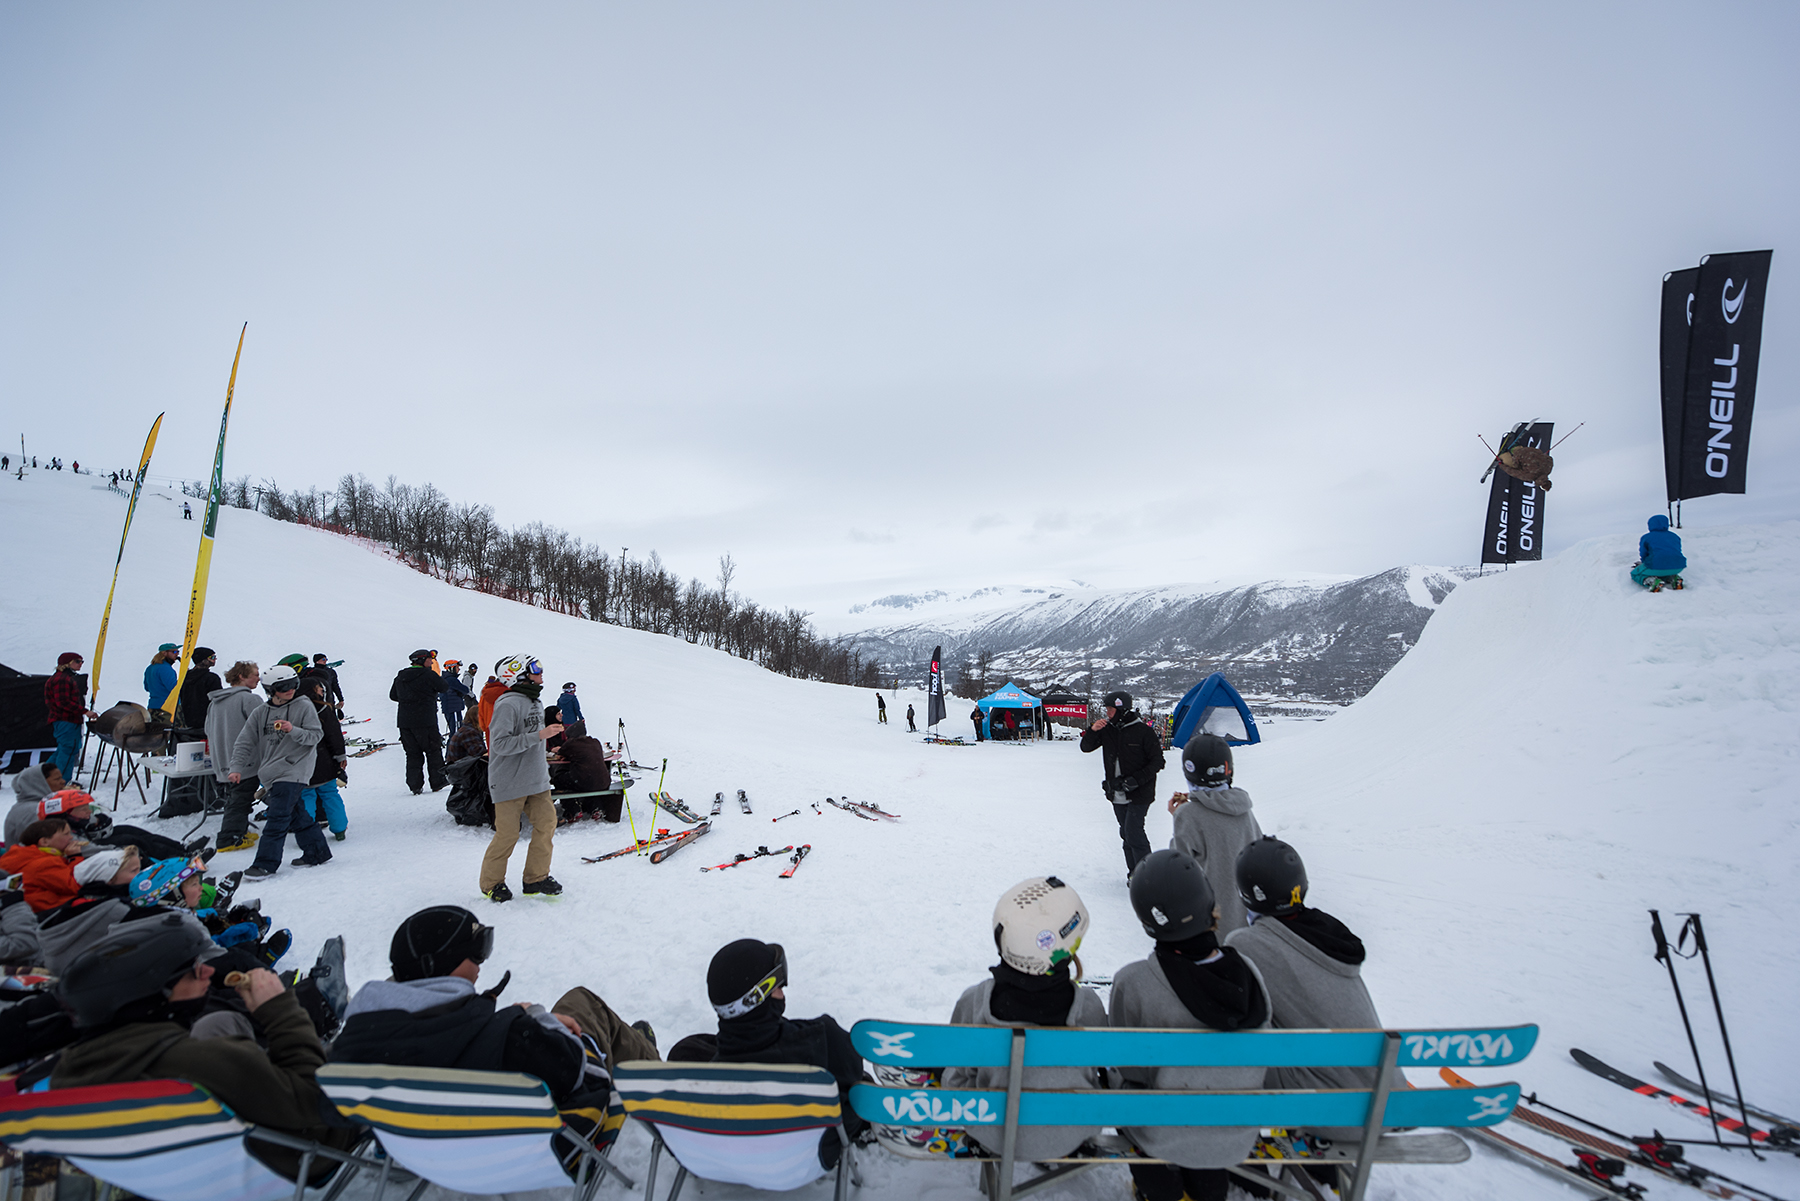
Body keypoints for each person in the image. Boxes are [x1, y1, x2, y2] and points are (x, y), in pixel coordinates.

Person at [50, 913, 359, 1181]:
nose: (209, 972)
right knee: (370, 1031)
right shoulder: (194, 1063)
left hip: (183, 1168)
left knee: (220, 1020)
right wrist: (279, 1008)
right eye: (194, 970)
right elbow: (314, 1101)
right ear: (153, 991)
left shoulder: (71, 1073)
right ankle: (321, 1006)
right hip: (296, 1155)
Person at [330, 906, 659, 1087]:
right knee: (582, 1001)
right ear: (439, 968)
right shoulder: (509, 1039)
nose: (481, 963)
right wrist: (536, 1019)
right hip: (543, 1146)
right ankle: (654, 1070)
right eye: (476, 951)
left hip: (417, 1144)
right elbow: (586, 1077)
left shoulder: (351, 1049)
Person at [1113, 849, 1271, 1201]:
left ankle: (1161, 1188)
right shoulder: (1250, 975)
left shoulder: (1134, 983)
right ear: (1209, 903)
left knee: (1117, 1081)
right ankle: (1208, 1184)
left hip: (1164, 1133)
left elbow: (1129, 1069)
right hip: (1237, 1132)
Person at [1224, 836, 1381, 1143]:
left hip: (1338, 1114)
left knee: (1233, 1047)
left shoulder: (1247, 943)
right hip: (1385, 1097)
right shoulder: (1328, 936)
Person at [944, 878, 1108, 1162]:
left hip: (991, 1130)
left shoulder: (975, 1003)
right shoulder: (1088, 1008)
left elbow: (955, 1073)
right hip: (1072, 1129)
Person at [668, 938, 865, 1169]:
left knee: (687, 1050)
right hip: (804, 1157)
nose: (782, 990)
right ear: (759, 997)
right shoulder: (822, 1039)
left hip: (727, 1153)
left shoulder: (695, 1078)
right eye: (778, 984)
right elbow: (854, 1089)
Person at [229, 665, 332, 879]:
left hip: (294, 770)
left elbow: (315, 736)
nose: (290, 690)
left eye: (294, 684)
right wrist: (236, 767)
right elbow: (244, 742)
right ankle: (317, 852)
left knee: (277, 818)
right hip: (271, 773)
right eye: (284, 686)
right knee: (297, 815)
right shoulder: (261, 712)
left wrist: (292, 730)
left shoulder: (303, 705)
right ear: (271, 689)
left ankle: (265, 864)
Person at [481, 654, 563, 902]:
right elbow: (500, 744)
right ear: (517, 674)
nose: (541, 673)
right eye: (535, 669)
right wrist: (539, 735)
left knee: (547, 825)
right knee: (508, 834)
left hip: (536, 780)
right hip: (509, 780)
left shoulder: (535, 701)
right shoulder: (507, 704)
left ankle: (536, 878)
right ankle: (492, 884)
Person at [1165, 734, 1263, 935]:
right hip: (1247, 923)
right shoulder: (1242, 807)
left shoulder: (1188, 815)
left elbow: (1177, 869)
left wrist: (1179, 816)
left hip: (1212, 923)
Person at [1079, 690, 1167, 879]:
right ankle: (1135, 873)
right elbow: (1086, 747)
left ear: (1122, 710)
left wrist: (1136, 780)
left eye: (1111, 709)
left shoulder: (1143, 731)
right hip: (1116, 792)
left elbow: (1158, 761)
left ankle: (1148, 876)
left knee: (1134, 832)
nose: (1108, 713)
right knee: (1126, 833)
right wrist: (1093, 730)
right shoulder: (1108, 730)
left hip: (1140, 793)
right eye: (1107, 709)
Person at [205, 661, 264, 853]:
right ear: (242, 676)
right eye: (255, 674)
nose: (259, 678)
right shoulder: (249, 699)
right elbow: (264, 727)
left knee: (236, 797)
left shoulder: (215, 702)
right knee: (240, 800)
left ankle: (241, 830)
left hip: (222, 760)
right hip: (246, 761)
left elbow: (207, 729)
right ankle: (229, 838)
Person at [390, 648, 453, 794]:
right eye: (429, 659)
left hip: (405, 721)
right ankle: (437, 781)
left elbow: (393, 695)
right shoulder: (428, 675)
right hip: (426, 720)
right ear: (422, 660)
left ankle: (415, 785)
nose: (431, 662)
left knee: (412, 753)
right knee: (433, 751)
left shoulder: (401, 675)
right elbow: (444, 687)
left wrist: (408, 700)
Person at [299, 677, 349, 841]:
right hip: (324, 760)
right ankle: (339, 829)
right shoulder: (323, 709)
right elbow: (334, 735)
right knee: (330, 794)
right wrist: (340, 756)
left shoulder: (293, 710)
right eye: (319, 688)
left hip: (301, 762)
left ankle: (307, 832)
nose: (322, 690)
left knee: (306, 796)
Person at [0, 818, 84, 911]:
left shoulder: (22, 856)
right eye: (66, 834)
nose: (71, 837)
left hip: (29, 909)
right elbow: (76, 885)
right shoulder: (46, 863)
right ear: (44, 842)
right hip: (50, 910)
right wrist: (75, 857)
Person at [44, 652, 98, 783]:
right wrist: (85, 712)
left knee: (63, 750)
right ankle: (62, 781)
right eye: (77, 661)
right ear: (67, 663)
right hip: (66, 720)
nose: (81, 664)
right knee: (67, 750)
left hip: (64, 720)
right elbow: (63, 702)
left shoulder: (61, 678)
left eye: (81, 661)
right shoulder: (62, 679)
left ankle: (44, 777)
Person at [5, 763, 68, 845]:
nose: (63, 781)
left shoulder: (41, 805)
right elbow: (59, 842)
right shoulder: (35, 810)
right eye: (57, 779)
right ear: (40, 784)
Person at [1633, 514, 1687, 590]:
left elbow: (1643, 553)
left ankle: (1652, 581)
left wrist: (1644, 563)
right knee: (1664, 571)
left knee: (1635, 574)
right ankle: (1674, 578)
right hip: (1678, 566)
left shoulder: (1647, 537)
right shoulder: (1675, 536)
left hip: (1656, 565)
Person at [177, 647, 222, 733]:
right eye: (212, 657)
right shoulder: (211, 678)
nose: (215, 659)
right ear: (203, 659)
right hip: (207, 720)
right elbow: (218, 700)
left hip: (188, 720)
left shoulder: (184, 677)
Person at [439, 660, 474, 737]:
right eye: (457, 667)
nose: (459, 669)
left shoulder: (443, 678)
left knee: (454, 731)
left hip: (449, 708)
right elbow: (465, 690)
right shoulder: (451, 679)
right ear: (451, 668)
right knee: (456, 732)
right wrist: (460, 693)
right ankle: (453, 745)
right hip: (453, 709)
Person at [143, 643, 181, 712]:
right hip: (167, 708)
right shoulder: (166, 669)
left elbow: (147, 687)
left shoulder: (150, 668)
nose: (177, 654)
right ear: (164, 653)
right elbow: (174, 688)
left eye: (178, 651)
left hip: (153, 707)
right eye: (174, 652)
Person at [477, 673, 506, 737]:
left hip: (488, 725)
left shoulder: (484, 691)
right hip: (502, 726)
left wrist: (483, 726)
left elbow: (480, 711)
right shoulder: (505, 691)